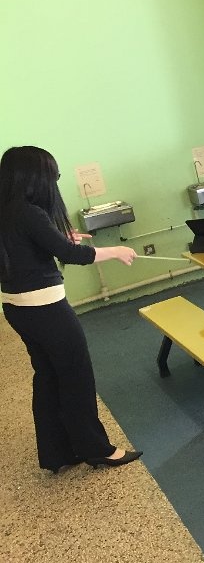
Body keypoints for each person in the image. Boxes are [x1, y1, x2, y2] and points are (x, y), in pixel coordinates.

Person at [0, 146, 142, 472]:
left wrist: (59, 237)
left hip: (17, 308)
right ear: (34, 178)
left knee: (48, 376)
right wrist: (116, 251)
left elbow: (30, 247)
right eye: (51, 176)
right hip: (46, 308)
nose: (54, 182)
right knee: (76, 376)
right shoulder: (29, 212)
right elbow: (70, 254)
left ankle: (57, 453)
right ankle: (98, 449)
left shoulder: (7, 211)